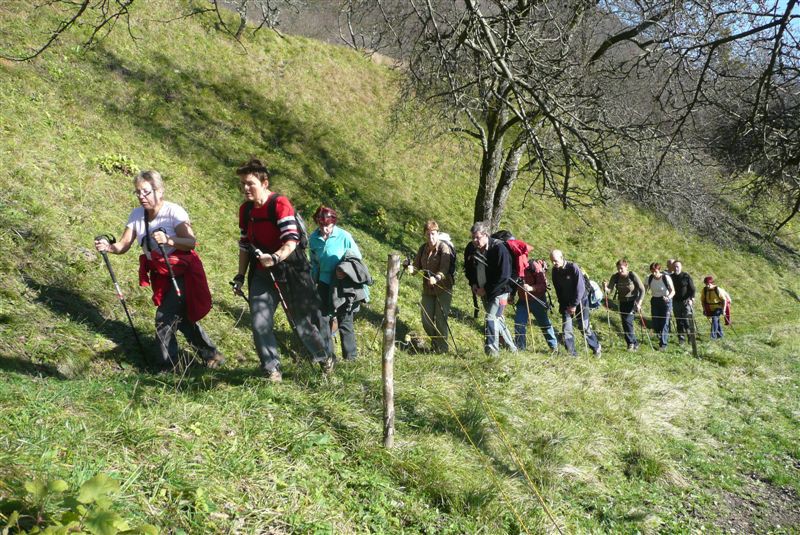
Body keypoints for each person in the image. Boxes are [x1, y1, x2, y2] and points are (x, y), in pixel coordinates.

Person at [94, 170, 224, 370]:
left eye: (146, 192)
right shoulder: (136, 215)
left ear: (160, 191)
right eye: (137, 192)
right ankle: (211, 354)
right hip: (160, 274)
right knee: (180, 318)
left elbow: (190, 242)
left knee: (164, 318)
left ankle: (168, 367)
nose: (141, 197)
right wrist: (108, 247)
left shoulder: (174, 212)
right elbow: (123, 245)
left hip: (183, 272)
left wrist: (169, 240)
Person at [231, 159, 333, 381]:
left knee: (302, 325)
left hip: (290, 271)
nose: (245, 188)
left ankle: (324, 358)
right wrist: (240, 275)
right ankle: (272, 369)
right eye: (242, 184)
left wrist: (275, 257)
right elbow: (245, 245)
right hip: (261, 274)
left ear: (264, 182)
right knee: (259, 321)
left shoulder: (280, 204)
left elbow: (291, 241)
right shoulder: (245, 210)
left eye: (250, 183)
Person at [309, 206, 365, 361]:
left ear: (333, 223)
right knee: (323, 319)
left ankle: (350, 359)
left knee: (345, 320)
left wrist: (344, 269)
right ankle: (328, 357)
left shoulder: (344, 236)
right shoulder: (313, 239)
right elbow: (313, 263)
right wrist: (311, 282)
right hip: (323, 282)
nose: (325, 229)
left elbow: (356, 258)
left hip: (342, 284)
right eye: (322, 226)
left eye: (328, 226)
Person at [466, 222, 517, 356]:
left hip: (500, 292)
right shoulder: (471, 248)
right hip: (483, 291)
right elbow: (469, 269)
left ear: (485, 235)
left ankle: (492, 353)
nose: (475, 241)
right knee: (497, 319)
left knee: (490, 318)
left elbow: (504, 276)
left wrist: (486, 289)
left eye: (477, 237)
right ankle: (513, 350)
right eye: (473, 238)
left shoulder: (499, 249)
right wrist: (473, 283)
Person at [408, 220, 454, 353]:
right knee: (426, 320)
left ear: (437, 233)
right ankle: (436, 343)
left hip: (443, 289)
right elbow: (416, 267)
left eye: (433, 234)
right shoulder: (423, 248)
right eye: (428, 234)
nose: (431, 237)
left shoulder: (443, 248)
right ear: (425, 235)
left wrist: (437, 277)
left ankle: (442, 350)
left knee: (441, 320)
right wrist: (409, 267)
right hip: (428, 290)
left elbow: (444, 269)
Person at [550, 249, 601, 356]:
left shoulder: (573, 267)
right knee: (566, 328)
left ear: (561, 258)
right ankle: (572, 354)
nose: (554, 263)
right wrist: (562, 304)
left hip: (581, 301)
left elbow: (580, 288)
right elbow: (558, 289)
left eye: (555, 261)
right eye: (552, 261)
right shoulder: (555, 271)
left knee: (584, 327)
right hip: (566, 303)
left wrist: (574, 305)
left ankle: (596, 347)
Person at [513, 258, 558, 352]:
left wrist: (531, 288)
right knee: (519, 323)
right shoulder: (514, 266)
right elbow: (513, 283)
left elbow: (543, 286)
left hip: (537, 300)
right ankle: (521, 348)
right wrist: (511, 295)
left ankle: (554, 347)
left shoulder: (533, 266)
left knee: (544, 323)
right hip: (522, 300)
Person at [604, 259, 645, 351]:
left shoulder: (632, 275)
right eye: (618, 269)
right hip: (622, 301)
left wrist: (639, 302)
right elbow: (609, 291)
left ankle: (630, 343)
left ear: (626, 267)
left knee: (628, 321)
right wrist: (605, 287)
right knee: (625, 323)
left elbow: (642, 289)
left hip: (633, 301)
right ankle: (634, 343)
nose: (619, 271)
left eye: (621, 268)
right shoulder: (615, 277)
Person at [646, 262, 675, 350]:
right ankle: (660, 335)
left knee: (665, 322)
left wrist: (668, 297)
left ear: (659, 270)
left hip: (665, 301)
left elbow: (673, 291)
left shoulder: (666, 278)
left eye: (655, 271)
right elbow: (643, 289)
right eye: (652, 271)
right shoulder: (649, 278)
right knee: (656, 321)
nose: (654, 273)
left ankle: (663, 344)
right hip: (655, 300)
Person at [671, 260, 696, 343]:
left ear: (681, 267)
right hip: (675, 302)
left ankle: (690, 337)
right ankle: (681, 339)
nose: (676, 268)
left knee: (686, 320)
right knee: (678, 320)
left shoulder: (686, 276)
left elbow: (692, 289)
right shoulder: (671, 277)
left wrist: (691, 299)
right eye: (674, 266)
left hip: (686, 301)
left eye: (677, 266)